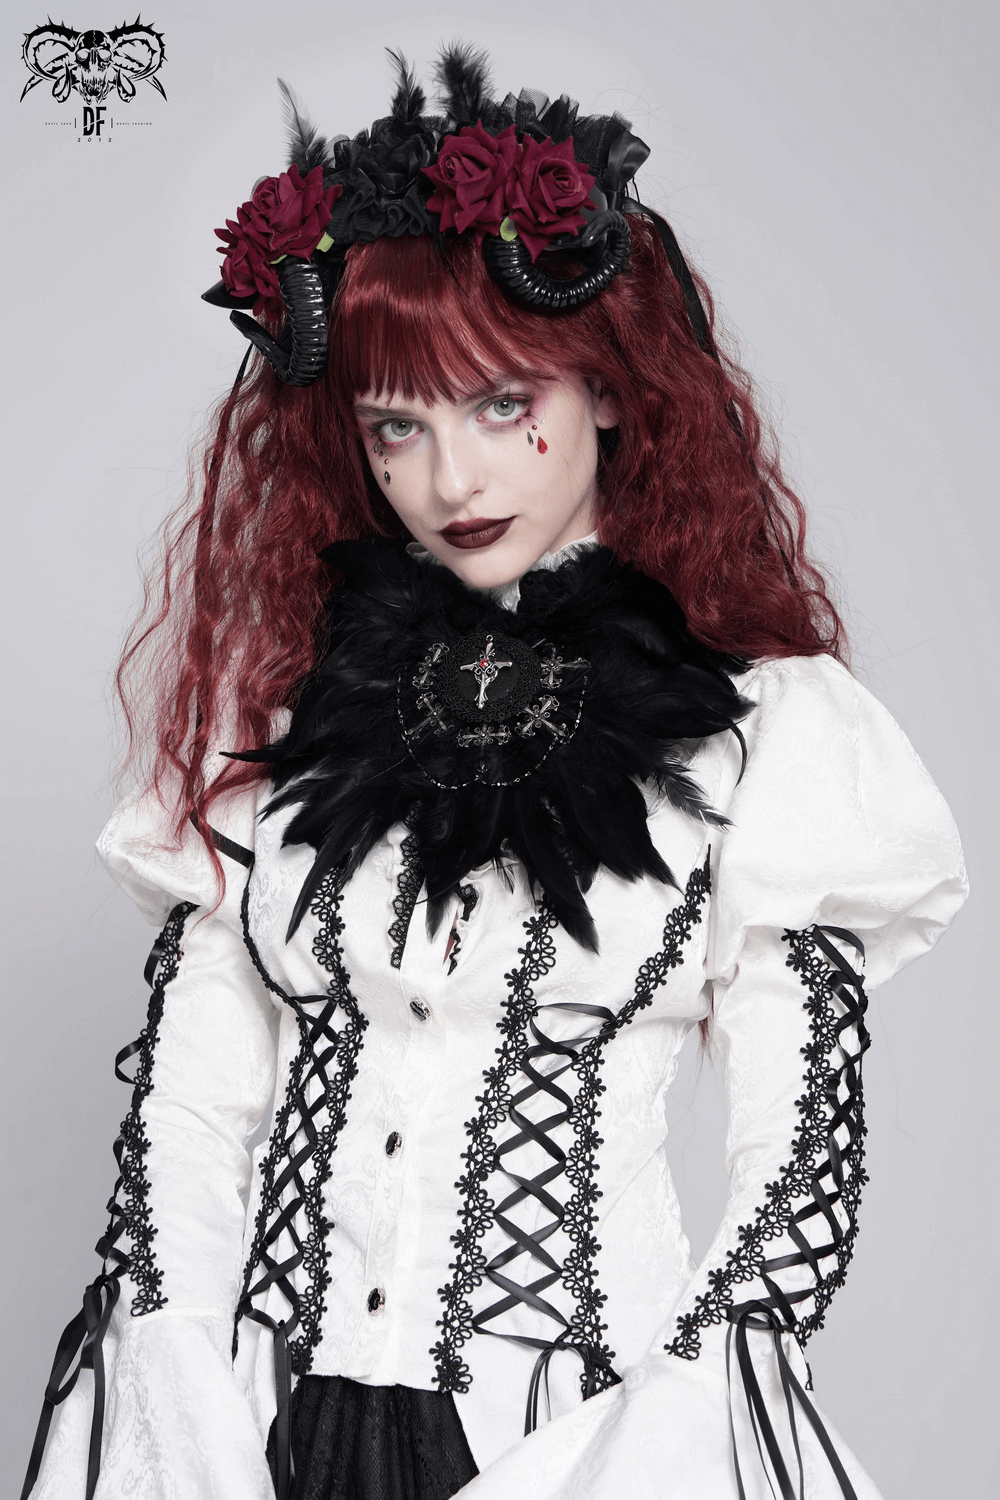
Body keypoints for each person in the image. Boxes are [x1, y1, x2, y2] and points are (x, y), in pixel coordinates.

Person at [22, 45, 966, 1500]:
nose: (451, 481)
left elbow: (791, 1166)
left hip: (583, 1438)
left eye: (501, 404)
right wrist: (182, 1404)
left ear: (609, 392)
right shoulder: (283, 715)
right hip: (272, 1426)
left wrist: (667, 1427)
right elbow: (192, 1120)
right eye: (397, 426)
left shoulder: (763, 734)